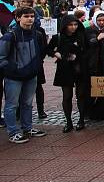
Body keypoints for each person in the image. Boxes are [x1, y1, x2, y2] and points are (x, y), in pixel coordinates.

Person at [0, 7, 47, 143]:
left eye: (32, 16)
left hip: (31, 75)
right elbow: (1, 57)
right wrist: (11, 69)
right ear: (18, 18)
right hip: (14, 77)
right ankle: (13, 132)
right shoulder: (11, 35)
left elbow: (40, 52)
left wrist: (36, 66)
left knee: (27, 104)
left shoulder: (37, 34)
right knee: (11, 105)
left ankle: (27, 128)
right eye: (26, 16)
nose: (30, 19)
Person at [49, 15, 89, 132]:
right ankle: (68, 121)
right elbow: (48, 48)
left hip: (80, 68)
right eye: (70, 25)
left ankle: (81, 120)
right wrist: (56, 53)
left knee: (81, 95)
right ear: (65, 25)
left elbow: (87, 50)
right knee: (67, 96)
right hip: (65, 69)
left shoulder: (81, 35)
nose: (73, 27)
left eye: (75, 24)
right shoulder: (58, 37)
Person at [85, 11, 104, 121]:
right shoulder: (89, 30)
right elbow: (86, 45)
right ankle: (89, 111)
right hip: (92, 63)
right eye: (99, 20)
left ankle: (103, 111)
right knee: (91, 89)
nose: (101, 22)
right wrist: (97, 39)